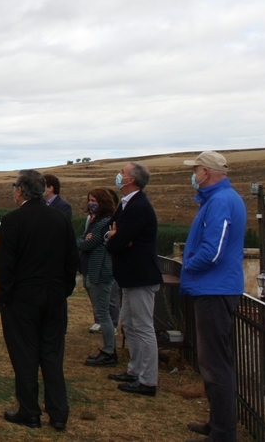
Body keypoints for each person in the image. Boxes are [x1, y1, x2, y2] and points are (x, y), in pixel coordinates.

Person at [0, 170, 78, 430]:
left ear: (20, 191)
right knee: (52, 354)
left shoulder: (12, 221)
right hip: (54, 296)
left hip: (22, 298)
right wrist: (62, 289)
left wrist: (5, 295)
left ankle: (29, 410)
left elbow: (6, 267)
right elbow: (71, 261)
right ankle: (58, 413)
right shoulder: (61, 219)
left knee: (25, 354)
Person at [180, 152, 246, 442]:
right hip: (215, 287)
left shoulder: (219, 202)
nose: (193, 174)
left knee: (214, 363)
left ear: (206, 172)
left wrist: (188, 264)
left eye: (195, 169)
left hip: (214, 289)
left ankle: (223, 432)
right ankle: (217, 422)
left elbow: (213, 250)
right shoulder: (221, 199)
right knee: (215, 362)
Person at [105, 162, 162, 397]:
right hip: (129, 275)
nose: (119, 176)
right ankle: (135, 370)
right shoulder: (126, 204)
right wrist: (115, 235)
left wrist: (117, 238)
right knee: (128, 324)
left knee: (143, 326)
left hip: (140, 275)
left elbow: (118, 240)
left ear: (131, 180)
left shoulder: (139, 206)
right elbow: (111, 231)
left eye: (122, 173)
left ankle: (148, 380)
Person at [78, 187, 118, 367]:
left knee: (103, 315)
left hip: (99, 273)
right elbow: (82, 239)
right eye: (89, 199)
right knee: (102, 313)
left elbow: (88, 243)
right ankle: (109, 350)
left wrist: (85, 241)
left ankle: (109, 351)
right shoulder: (95, 222)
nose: (91, 203)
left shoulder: (104, 223)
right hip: (92, 271)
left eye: (94, 200)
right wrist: (84, 240)